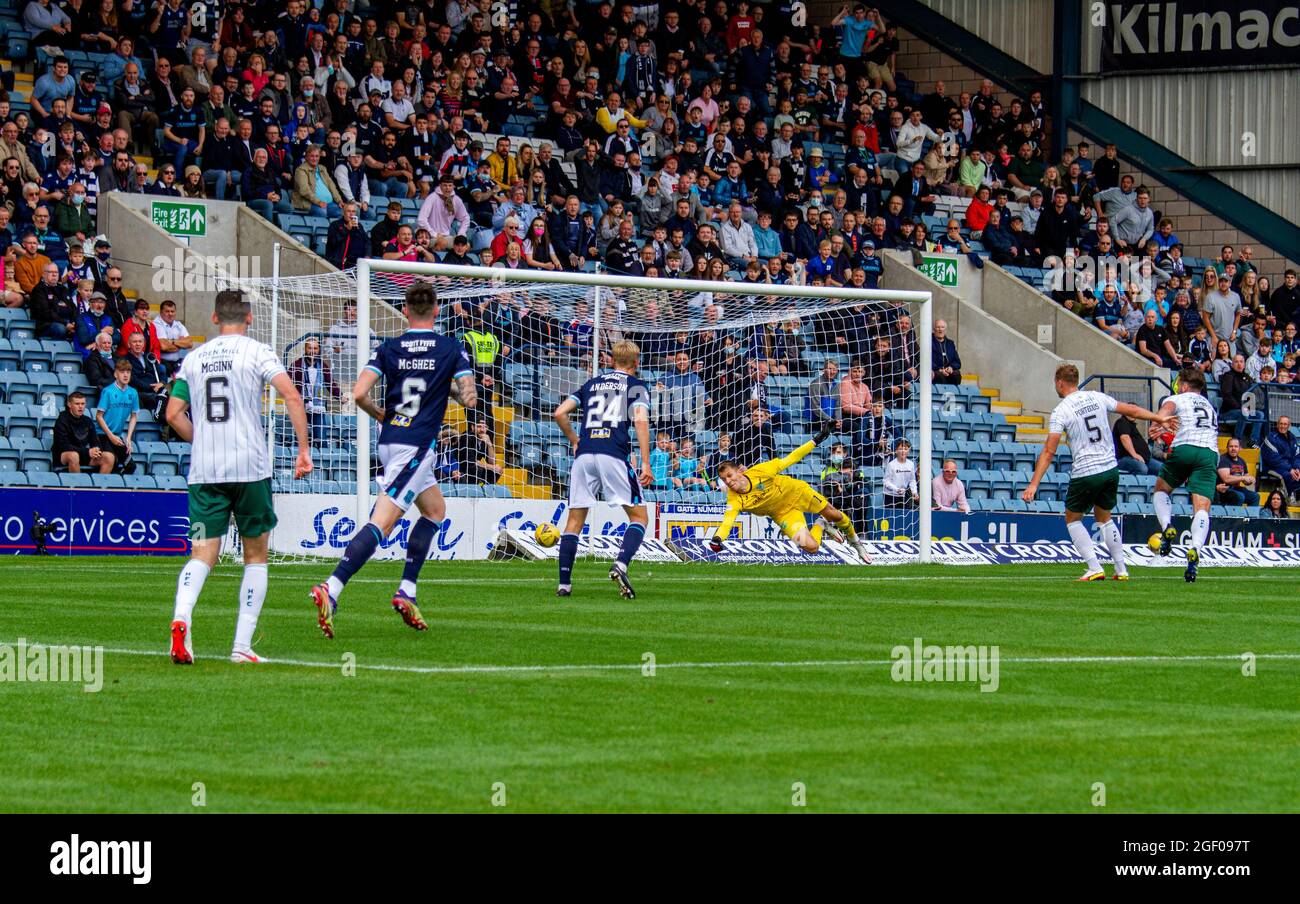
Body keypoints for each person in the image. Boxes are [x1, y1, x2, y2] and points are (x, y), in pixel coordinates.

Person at [310, 282, 475, 636]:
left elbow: (358, 393)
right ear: (436, 310)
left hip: (391, 439)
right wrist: (451, 387)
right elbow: (469, 397)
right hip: (415, 447)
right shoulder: (450, 348)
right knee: (382, 523)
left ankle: (407, 590)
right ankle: (332, 587)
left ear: (404, 310)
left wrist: (381, 414)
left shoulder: (390, 347)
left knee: (434, 511)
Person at [166, 289, 313, 665]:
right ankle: (241, 646)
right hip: (249, 468)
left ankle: (181, 619)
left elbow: (172, 414)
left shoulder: (194, 358)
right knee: (256, 555)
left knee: (201, 553)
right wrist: (303, 450)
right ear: (249, 318)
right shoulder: (258, 352)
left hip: (205, 473)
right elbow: (292, 397)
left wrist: (202, 440)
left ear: (214, 319)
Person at [1022, 364, 1170, 581]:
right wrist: (1158, 418)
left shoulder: (1061, 411)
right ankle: (1121, 570)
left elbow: (1049, 450)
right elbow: (1132, 410)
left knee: (1073, 519)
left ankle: (1094, 567)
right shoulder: (1097, 397)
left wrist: (1034, 484)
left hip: (1086, 470)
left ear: (1060, 383)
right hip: (1110, 468)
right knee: (1105, 518)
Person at [549, 340, 654, 598]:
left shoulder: (591, 384)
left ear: (611, 360)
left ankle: (564, 584)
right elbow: (640, 420)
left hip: (584, 455)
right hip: (613, 453)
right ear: (636, 363)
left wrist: (575, 440)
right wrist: (646, 461)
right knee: (639, 517)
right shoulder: (635, 385)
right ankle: (621, 563)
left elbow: (560, 412)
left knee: (574, 520)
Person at [710, 421, 871, 562]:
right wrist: (717, 539)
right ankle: (821, 523)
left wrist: (818, 438)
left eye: (730, 476)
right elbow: (727, 522)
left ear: (739, 471)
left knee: (834, 514)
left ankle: (856, 542)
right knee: (812, 548)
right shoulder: (733, 499)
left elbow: (792, 457)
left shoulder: (761, 471)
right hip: (783, 514)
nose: (728, 481)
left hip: (797, 492)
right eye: (724, 479)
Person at [1150, 368, 1223, 582]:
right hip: (1209, 453)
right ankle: (1195, 550)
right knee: (1201, 508)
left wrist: (1157, 423)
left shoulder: (1178, 398)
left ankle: (1167, 527)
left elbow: (1165, 411)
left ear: (1183, 386)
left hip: (1184, 448)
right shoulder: (1209, 406)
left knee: (1161, 490)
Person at [52, 391, 115, 474]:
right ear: (69, 404)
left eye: (83, 404)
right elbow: (63, 445)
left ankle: (99, 485)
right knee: (74, 456)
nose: (80, 407)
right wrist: (87, 452)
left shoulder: (87, 420)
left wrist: (96, 449)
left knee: (109, 457)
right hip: (64, 455)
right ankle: (78, 485)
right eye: (77, 404)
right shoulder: (62, 420)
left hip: (83, 454)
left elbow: (95, 441)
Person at [94, 358, 138, 473]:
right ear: (115, 374)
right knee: (111, 460)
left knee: (131, 466)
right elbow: (99, 416)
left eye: (128, 372)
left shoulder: (133, 393)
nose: (125, 375)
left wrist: (128, 438)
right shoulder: (108, 391)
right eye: (122, 372)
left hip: (117, 436)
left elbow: (134, 416)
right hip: (102, 434)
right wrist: (110, 436)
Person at [1262, 415, 1300, 502]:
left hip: (1290, 467)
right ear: (1277, 425)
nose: (1283, 426)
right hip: (1272, 467)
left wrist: (1297, 468)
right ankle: (1290, 497)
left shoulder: (1292, 438)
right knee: (1288, 475)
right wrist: (1290, 469)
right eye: (1281, 424)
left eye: (1285, 424)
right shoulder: (1271, 438)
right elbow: (1273, 459)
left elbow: (1297, 456)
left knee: (1297, 474)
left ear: (1289, 426)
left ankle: (1296, 496)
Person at [1112, 410, 1162, 476]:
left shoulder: (1132, 425)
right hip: (1125, 458)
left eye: (1134, 412)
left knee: (1163, 469)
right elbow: (1125, 437)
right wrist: (1134, 454)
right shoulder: (1122, 422)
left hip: (1145, 459)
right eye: (1130, 411)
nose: (1132, 414)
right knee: (1142, 468)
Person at [1217, 437, 1260, 507]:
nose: (1233, 448)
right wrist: (1243, 478)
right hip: (1224, 489)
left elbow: (1246, 481)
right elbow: (1226, 479)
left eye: (1236, 446)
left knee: (1255, 497)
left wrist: (1250, 480)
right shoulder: (1223, 459)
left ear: (1240, 448)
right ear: (1227, 448)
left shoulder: (1241, 461)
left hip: (1236, 488)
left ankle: (1251, 517)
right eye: (1231, 446)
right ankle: (1235, 517)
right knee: (1240, 496)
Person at [931, 319, 961, 385]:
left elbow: (957, 362)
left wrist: (951, 367)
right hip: (936, 371)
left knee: (956, 374)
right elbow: (927, 360)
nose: (940, 329)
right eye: (938, 327)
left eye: (942, 327)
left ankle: (954, 394)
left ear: (945, 330)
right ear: (934, 329)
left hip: (948, 371)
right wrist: (939, 369)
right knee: (939, 375)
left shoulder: (950, 343)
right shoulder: (929, 341)